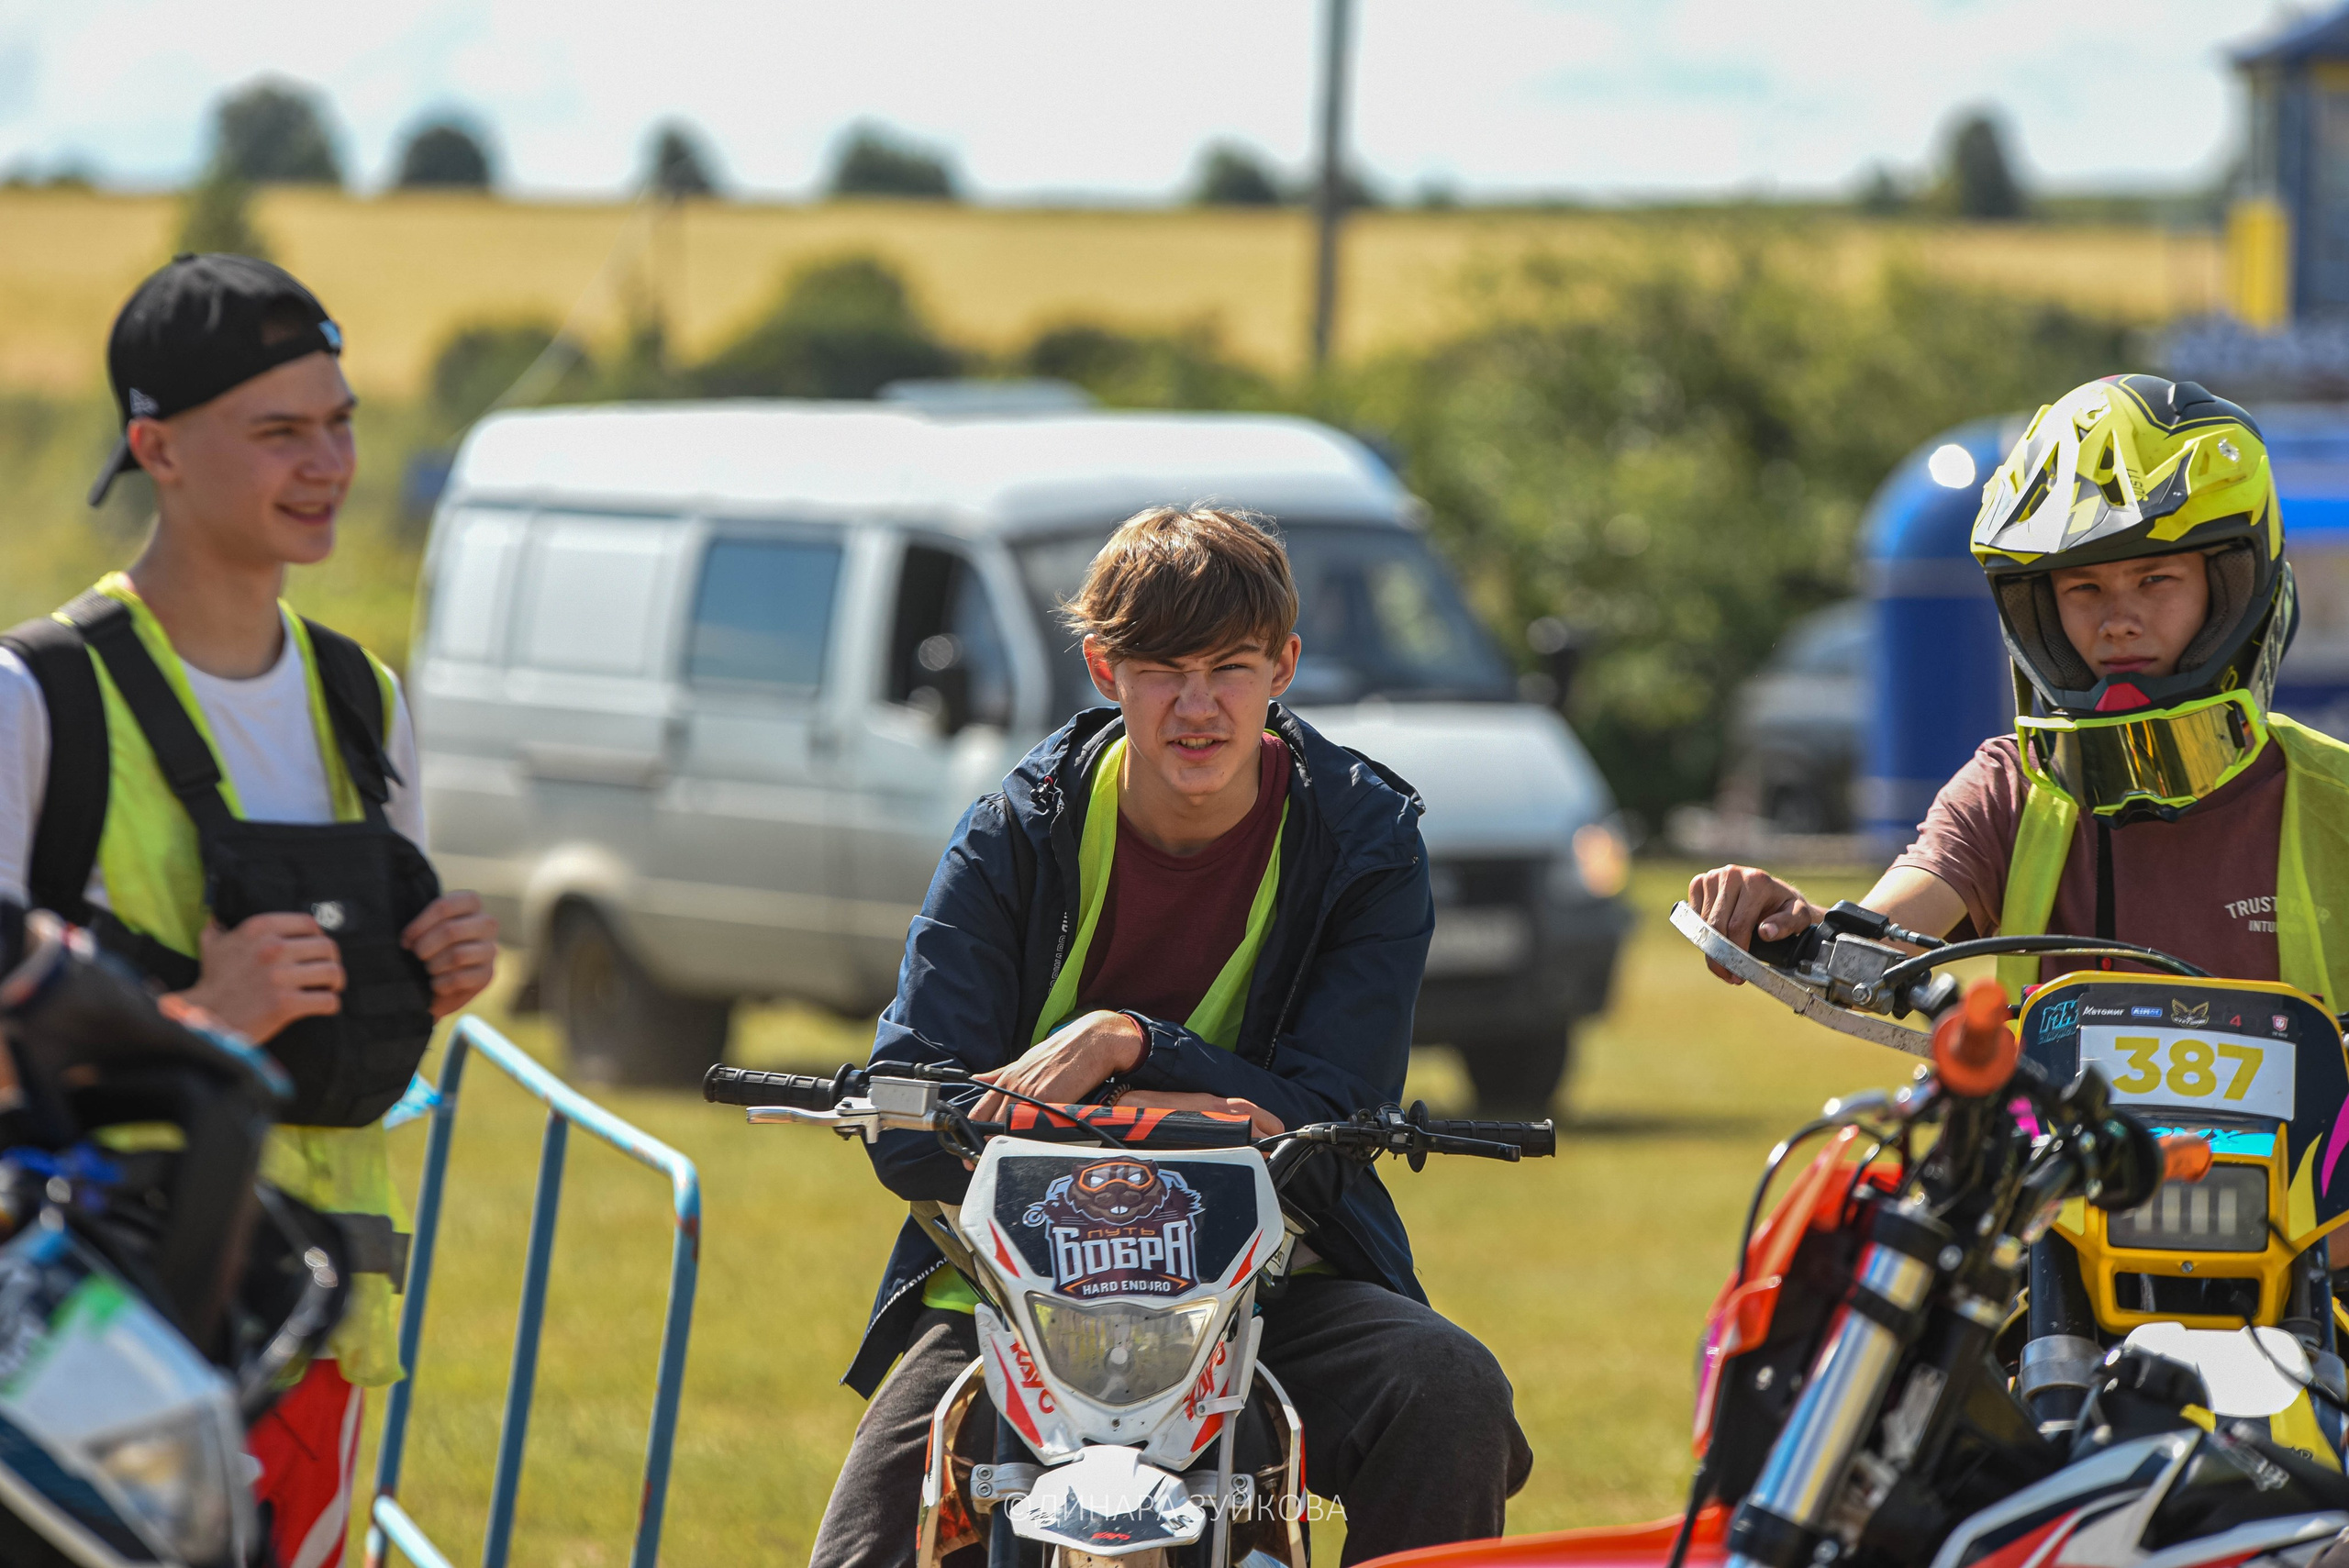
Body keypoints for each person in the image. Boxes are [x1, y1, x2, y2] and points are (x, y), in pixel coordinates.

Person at [809, 506, 1532, 1567]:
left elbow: (1326, 1136)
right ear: (1103, 668)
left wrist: (1125, 1043)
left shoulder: (1366, 842)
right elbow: (910, 1121)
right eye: (1160, 668)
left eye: (1231, 666)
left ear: (1284, 664)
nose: (1197, 707)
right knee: (861, 1549)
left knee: (1449, 1389)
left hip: (1278, 1285)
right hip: (1014, 1303)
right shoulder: (1012, 831)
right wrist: (1209, 1111)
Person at [0, 254, 497, 1568]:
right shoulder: (30, 699)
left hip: (318, 1335)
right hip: (86, 1351)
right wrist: (193, 1020)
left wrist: (431, 974)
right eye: (279, 431)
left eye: (340, 422)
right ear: (152, 446)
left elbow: (357, 1044)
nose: (326, 462)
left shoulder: (362, 696)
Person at [1691, 373, 2349, 1014]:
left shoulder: (2336, 799)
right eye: (2083, 588)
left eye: (2155, 579)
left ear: (2233, 587)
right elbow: (1880, 933)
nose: (2118, 620)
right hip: (2060, 1128)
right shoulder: (2010, 788)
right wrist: (1795, 923)